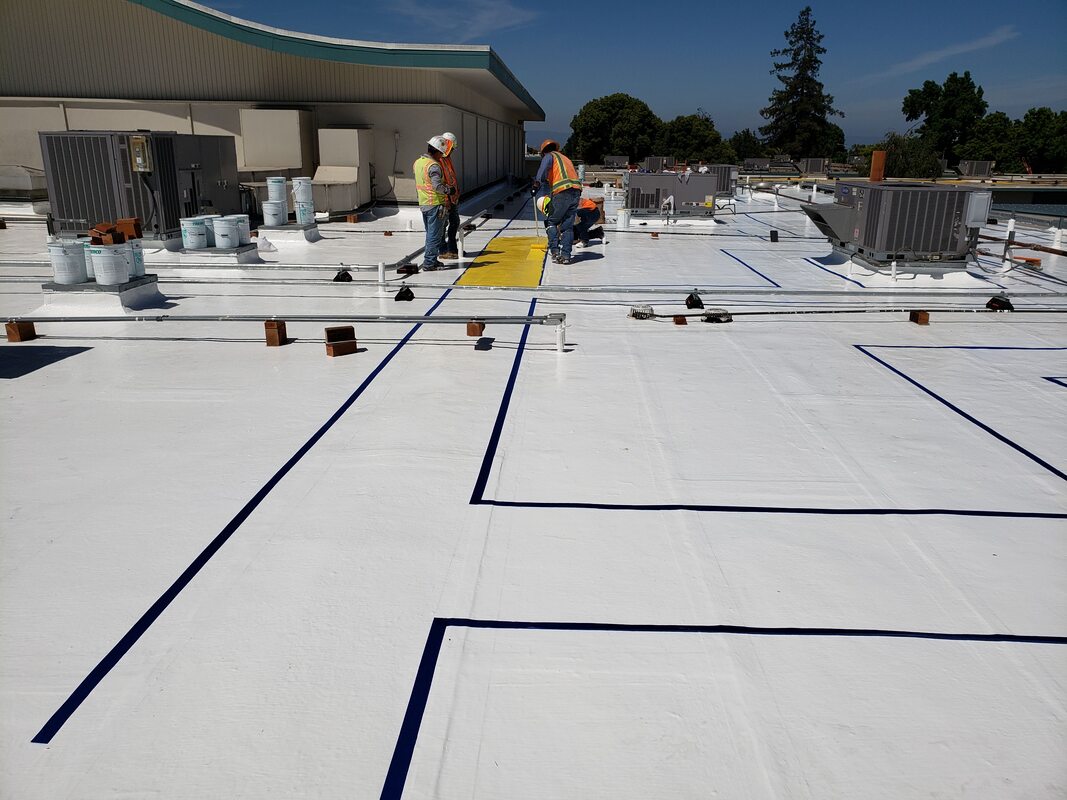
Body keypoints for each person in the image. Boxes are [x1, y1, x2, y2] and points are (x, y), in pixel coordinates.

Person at [532, 139, 581, 264]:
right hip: (576, 192)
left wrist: (536, 185)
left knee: (551, 222)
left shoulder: (549, 156)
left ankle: (555, 252)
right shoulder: (566, 158)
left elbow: (543, 171)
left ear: (543, 152)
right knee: (567, 226)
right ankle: (566, 256)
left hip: (562, 192)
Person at [413, 136, 455, 270]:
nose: (442, 156)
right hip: (435, 204)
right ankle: (429, 263)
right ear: (437, 151)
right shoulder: (433, 166)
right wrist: (449, 190)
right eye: (441, 153)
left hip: (424, 203)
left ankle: (432, 260)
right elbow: (437, 186)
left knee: (430, 234)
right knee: (434, 236)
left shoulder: (419, 162)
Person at [438, 132, 461, 260]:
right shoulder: (439, 159)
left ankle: (452, 248)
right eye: (451, 148)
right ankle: (443, 250)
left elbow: (451, 177)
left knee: (455, 222)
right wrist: (446, 198)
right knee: (443, 225)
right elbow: (441, 182)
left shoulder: (447, 159)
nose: (452, 151)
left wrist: (457, 192)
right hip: (445, 198)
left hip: (453, 198)